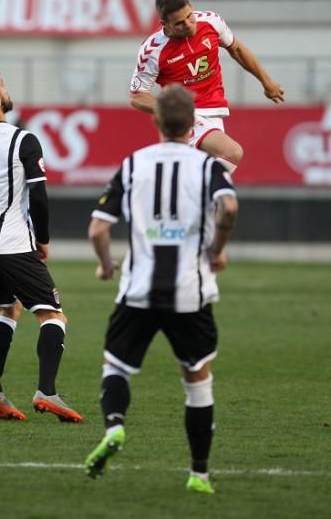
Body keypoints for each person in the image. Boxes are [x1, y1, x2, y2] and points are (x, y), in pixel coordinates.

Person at [84, 85, 239, 494]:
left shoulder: (133, 164)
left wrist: (104, 265)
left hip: (138, 289)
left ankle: (115, 427)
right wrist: (218, 250)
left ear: (154, 120)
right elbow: (230, 207)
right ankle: (199, 474)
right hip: (191, 290)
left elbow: (98, 228)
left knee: (115, 367)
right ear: (194, 124)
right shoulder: (209, 167)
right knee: (196, 379)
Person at [0, 66, 83, 424]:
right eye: (3, 86)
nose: (7, 91)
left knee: (7, 308)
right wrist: (44, 239)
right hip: (11, 244)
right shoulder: (23, 140)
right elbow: (38, 196)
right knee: (53, 315)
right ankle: (47, 393)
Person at [129, 0, 285, 172]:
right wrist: (175, 111)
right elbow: (137, 97)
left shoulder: (211, 21)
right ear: (165, 24)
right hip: (188, 116)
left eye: (189, 16)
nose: (188, 24)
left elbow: (236, 49)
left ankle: (190, 193)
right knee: (232, 153)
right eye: (179, 23)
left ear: (192, 7)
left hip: (215, 111)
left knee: (209, 171)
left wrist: (266, 82)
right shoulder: (152, 50)